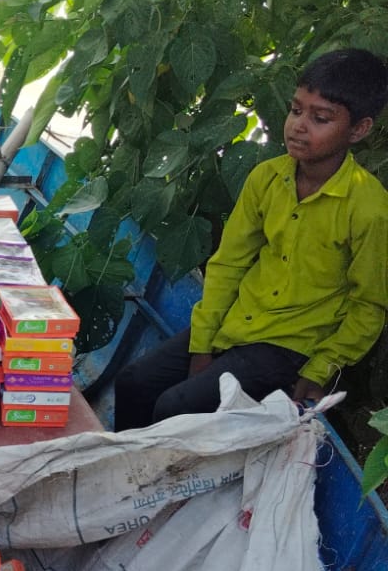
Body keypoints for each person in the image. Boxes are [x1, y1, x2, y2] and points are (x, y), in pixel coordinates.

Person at [113, 47, 388, 431]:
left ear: (359, 129)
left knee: (176, 407)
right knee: (132, 384)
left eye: (320, 118)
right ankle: (128, 481)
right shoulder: (266, 178)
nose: (298, 126)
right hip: (236, 325)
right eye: (295, 110)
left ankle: (167, 488)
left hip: (289, 348)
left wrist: (321, 367)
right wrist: (203, 342)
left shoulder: (369, 207)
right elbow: (229, 263)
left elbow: (369, 305)